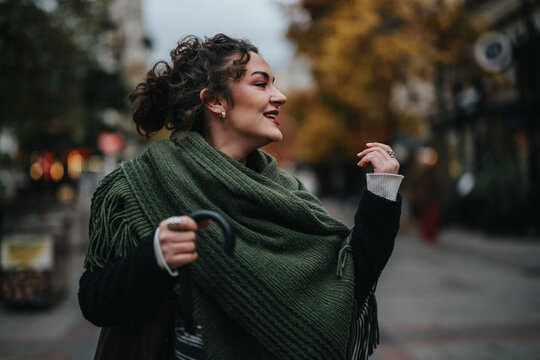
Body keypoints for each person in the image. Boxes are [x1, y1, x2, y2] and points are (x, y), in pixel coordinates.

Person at [78, 34, 403, 360]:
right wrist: (154, 259)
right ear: (215, 101)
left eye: (274, 84)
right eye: (261, 84)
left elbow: (350, 283)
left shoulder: (288, 193)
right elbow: (95, 302)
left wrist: (382, 193)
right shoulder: (136, 188)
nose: (281, 96)